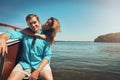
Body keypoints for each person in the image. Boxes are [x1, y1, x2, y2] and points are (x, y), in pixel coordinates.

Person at [0, 14, 60, 80]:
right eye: (30, 23)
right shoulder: (25, 33)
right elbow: (9, 34)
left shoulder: (46, 37)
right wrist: (2, 38)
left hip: (40, 64)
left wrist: (37, 71)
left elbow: (47, 56)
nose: (33, 25)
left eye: (34, 22)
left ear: (39, 22)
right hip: (24, 64)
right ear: (28, 25)